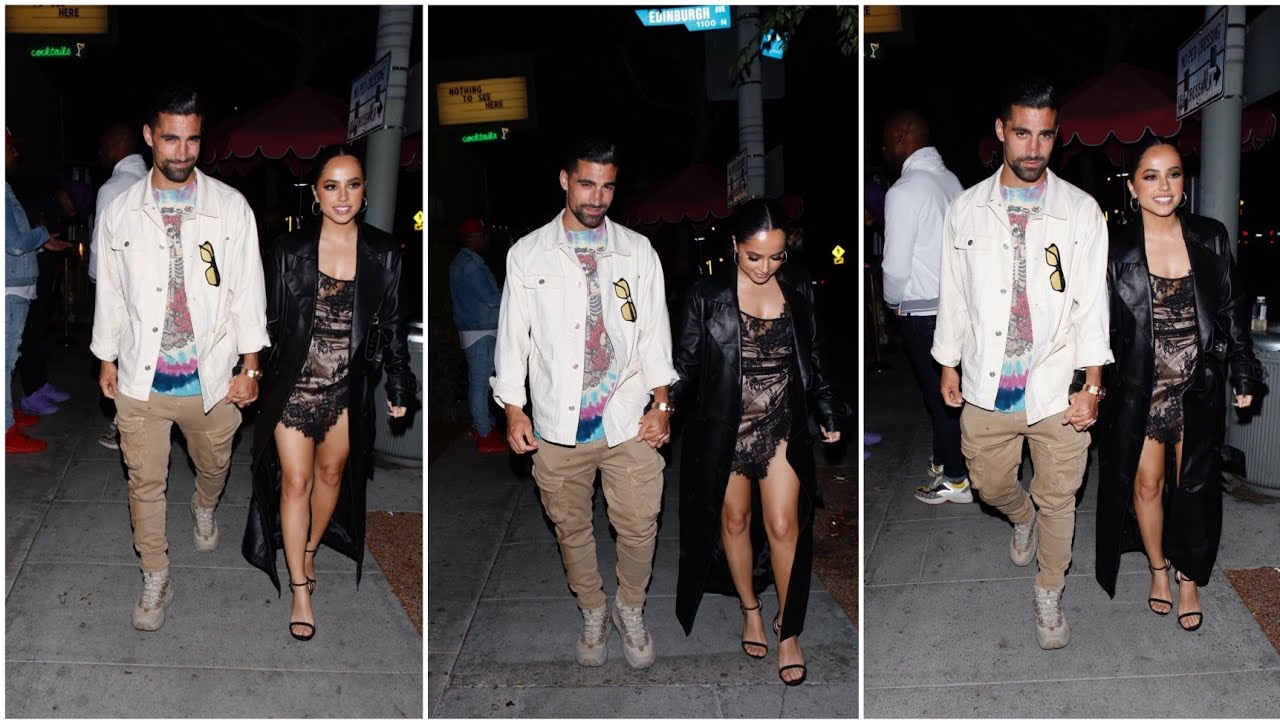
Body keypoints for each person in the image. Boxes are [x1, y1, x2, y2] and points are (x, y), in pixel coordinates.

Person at [932, 80, 1112, 650]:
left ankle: (1049, 592)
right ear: (1000, 132)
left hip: (1057, 386)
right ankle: (1018, 516)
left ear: (1056, 136)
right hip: (988, 385)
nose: (1033, 148)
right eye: (1021, 133)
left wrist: (1093, 384)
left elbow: (1091, 305)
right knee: (988, 485)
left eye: (1044, 134)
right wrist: (948, 363)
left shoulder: (1080, 211)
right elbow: (953, 294)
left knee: (1060, 497)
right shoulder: (965, 209)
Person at [491, 139, 676, 670]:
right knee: (571, 528)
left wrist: (662, 403)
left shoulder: (637, 251)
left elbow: (653, 334)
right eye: (588, 183)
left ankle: (631, 607)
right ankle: (593, 610)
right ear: (565, 181)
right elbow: (513, 339)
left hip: (626, 420)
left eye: (608, 185)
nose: (598, 197)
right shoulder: (528, 253)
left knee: (640, 525)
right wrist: (513, 407)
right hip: (555, 425)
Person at [91, 88, 269, 631]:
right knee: (143, 483)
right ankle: (156, 575)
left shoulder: (230, 207)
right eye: (170, 137)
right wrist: (105, 358)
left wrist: (250, 365)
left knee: (213, 464)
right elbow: (112, 295)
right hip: (141, 380)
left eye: (192, 138)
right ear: (150, 136)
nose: (182, 150)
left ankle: (204, 504)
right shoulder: (120, 210)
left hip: (209, 378)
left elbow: (247, 291)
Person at [243, 145, 416, 641]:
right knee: (295, 481)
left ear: (364, 192)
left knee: (332, 471)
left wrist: (399, 382)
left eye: (354, 185)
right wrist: (249, 371)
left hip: (346, 387)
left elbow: (391, 326)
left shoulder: (384, 251)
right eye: (332, 186)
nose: (343, 196)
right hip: (293, 385)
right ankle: (299, 586)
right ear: (316, 194)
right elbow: (265, 322)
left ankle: (311, 548)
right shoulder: (287, 249)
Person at [1095, 137, 1266, 632]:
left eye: (1172, 174)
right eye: (1150, 176)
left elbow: (1232, 311)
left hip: (1198, 383)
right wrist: (1087, 383)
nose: (1163, 186)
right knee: (1146, 485)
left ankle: (1189, 576)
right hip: (1141, 387)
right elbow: (1094, 324)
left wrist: (1243, 369)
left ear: (1183, 184)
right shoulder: (1116, 247)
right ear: (1132, 186)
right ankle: (1157, 569)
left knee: (1193, 485)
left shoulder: (1210, 237)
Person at [673, 198, 842, 686]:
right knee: (735, 519)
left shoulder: (799, 284)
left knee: (785, 525)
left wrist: (828, 407)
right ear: (734, 246)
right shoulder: (707, 294)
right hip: (724, 426)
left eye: (776, 256)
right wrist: (660, 410)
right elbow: (684, 365)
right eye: (755, 256)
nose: (766, 267)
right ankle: (750, 607)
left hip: (780, 423)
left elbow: (815, 354)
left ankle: (789, 630)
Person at [879, 110, 969, 502]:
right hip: (958, 306)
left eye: (886, 141)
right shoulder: (952, 182)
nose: (884, 149)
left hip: (923, 309)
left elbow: (895, 262)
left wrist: (892, 302)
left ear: (902, 136)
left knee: (939, 396)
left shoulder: (904, 190)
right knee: (951, 390)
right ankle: (942, 457)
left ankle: (956, 478)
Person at [6, 127, 70, 453]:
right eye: (10, 148)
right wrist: (42, 232)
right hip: (9, 288)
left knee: (11, 356)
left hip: (16, 285)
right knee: (6, 359)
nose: (16, 154)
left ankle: (6, 417)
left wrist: (43, 242)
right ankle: (6, 431)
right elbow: (15, 245)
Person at [91, 122, 148, 450]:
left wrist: (100, 291)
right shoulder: (153, 180)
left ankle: (126, 426)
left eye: (103, 146)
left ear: (116, 146)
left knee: (124, 361)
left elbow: (101, 251)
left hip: (124, 291)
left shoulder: (112, 188)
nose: (100, 153)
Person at [449, 217, 506, 453]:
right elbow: (492, 299)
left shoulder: (462, 262)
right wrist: (512, 290)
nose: (487, 239)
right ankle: (484, 434)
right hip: (481, 331)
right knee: (481, 384)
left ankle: (481, 428)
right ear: (474, 238)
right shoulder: (471, 265)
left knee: (479, 383)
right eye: (484, 235)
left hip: (474, 330)